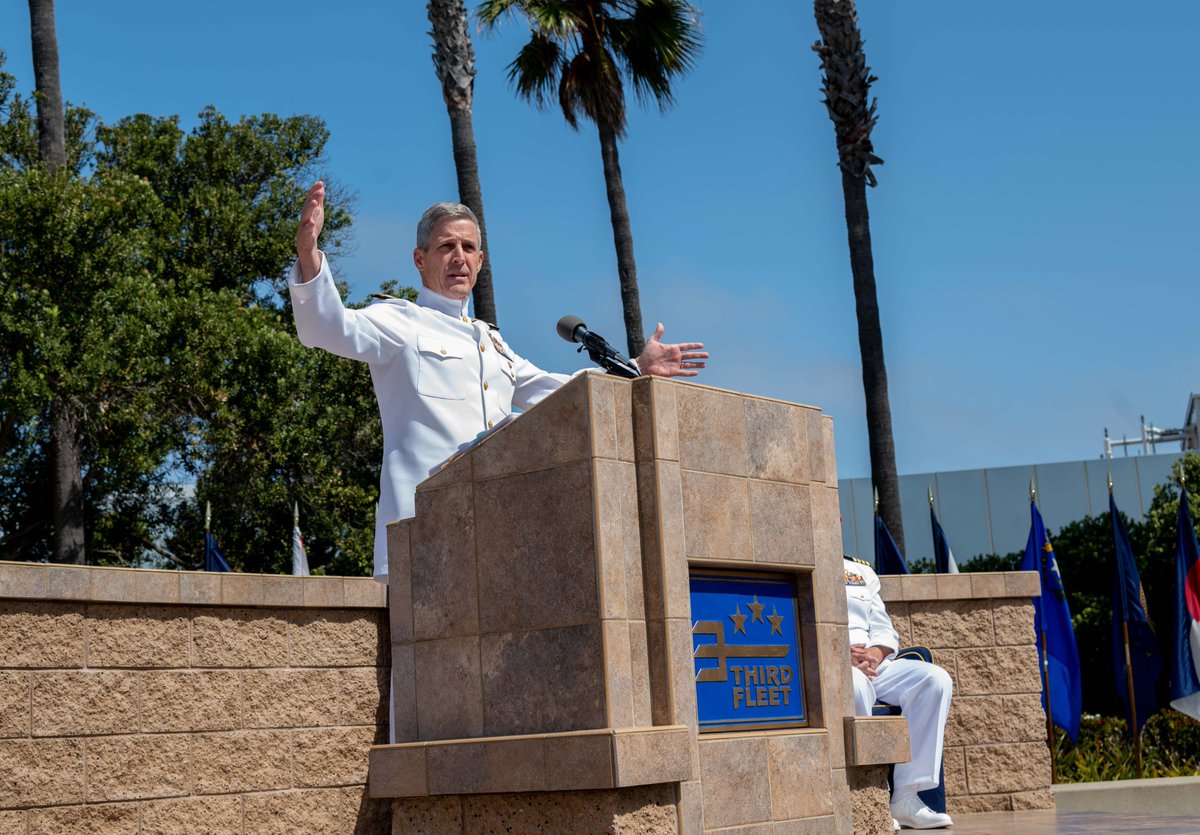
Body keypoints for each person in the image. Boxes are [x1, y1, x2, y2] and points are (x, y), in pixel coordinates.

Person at [290, 181, 708, 581]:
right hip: (421, 530)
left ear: (481, 261)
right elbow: (327, 328)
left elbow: (557, 390)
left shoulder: (491, 342)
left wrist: (634, 365)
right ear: (420, 259)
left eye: (468, 248)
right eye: (447, 247)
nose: (459, 257)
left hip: (495, 527)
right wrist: (309, 255)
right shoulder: (399, 322)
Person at [845, 555, 954, 830]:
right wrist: (840, 655)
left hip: (873, 662)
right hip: (832, 665)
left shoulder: (860, 570)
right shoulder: (800, 562)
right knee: (855, 687)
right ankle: (869, 796)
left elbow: (883, 629)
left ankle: (905, 796)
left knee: (935, 680)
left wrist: (874, 653)